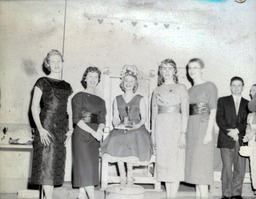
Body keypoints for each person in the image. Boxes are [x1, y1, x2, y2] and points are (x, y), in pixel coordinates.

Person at [30, 49, 73, 199]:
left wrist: (71, 129)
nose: (56, 64)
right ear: (48, 64)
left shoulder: (67, 86)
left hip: (61, 130)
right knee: (46, 167)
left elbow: (69, 109)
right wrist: (40, 129)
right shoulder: (42, 82)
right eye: (53, 61)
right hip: (46, 127)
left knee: (54, 168)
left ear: (62, 63)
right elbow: (34, 106)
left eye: (58, 61)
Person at [101, 65, 153, 185]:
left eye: (131, 81)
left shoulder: (140, 98)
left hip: (136, 128)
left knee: (130, 138)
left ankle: (130, 175)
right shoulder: (117, 99)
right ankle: (122, 174)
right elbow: (114, 118)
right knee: (116, 138)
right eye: (126, 81)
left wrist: (136, 126)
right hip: (121, 127)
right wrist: (117, 125)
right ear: (123, 83)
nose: (128, 83)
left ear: (135, 84)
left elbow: (144, 118)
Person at [151, 59, 189, 198]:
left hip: (176, 126)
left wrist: (183, 133)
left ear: (174, 71)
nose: (167, 71)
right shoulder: (156, 90)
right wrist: (153, 136)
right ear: (160, 71)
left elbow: (185, 112)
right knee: (165, 162)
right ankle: (169, 196)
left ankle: (173, 196)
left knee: (176, 162)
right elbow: (153, 116)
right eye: (164, 68)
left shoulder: (181, 88)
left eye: (170, 68)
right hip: (161, 128)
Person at [71, 66, 106, 199]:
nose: (92, 79)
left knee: (89, 169)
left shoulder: (101, 101)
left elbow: (102, 119)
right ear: (85, 78)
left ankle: (81, 196)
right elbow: (76, 119)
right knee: (85, 167)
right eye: (90, 76)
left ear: (98, 80)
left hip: (94, 137)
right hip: (82, 135)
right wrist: (93, 132)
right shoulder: (78, 97)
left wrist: (100, 131)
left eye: (95, 77)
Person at [185, 58, 218, 199]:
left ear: (201, 69)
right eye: (189, 68)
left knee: (202, 169)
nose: (192, 71)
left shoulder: (210, 86)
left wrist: (208, 133)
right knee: (195, 170)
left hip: (203, 127)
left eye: (195, 68)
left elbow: (213, 110)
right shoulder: (189, 90)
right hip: (191, 128)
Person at [216, 76, 249, 199]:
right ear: (230, 87)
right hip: (226, 138)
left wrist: (237, 131)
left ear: (243, 87)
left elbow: (247, 121)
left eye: (239, 85)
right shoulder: (222, 101)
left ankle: (236, 194)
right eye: (234, 85)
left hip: (241, 139)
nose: (236, 88)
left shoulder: (248, 104)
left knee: (240, 168)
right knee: (227, 168)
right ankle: (226, 193)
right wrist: (230, 132)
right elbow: (219, 118)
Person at [243, 84, 256, 195]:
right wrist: (247, 134)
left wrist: (253, 132)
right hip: (252, 142)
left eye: (255, 90)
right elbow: (248, 125)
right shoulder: (251, 113)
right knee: (253, 165)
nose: (253, 93)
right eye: (252, 91)